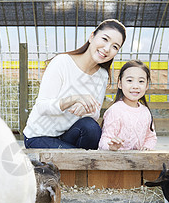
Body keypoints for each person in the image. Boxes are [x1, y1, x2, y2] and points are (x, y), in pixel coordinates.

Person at [23, 19, 127, 149]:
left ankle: (80, 162)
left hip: (69, 135)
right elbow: (42, 106)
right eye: (105, 39)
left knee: (91, 127)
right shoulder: (62, 62)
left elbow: (95, 114)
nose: (107, 49)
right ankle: (83, 163)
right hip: (40, 136)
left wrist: (85, 109)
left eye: (115, 46)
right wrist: (72, 100)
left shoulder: (102, 75)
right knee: (86, 159)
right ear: (92, 37)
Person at [98, 60, 157, 151]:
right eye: (129, 80)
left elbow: (150, 137)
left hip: (137, 161)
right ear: (120, 84)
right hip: (115, 160)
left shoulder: (145, 112)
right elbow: (104, 139)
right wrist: (111, 146)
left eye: (141, 81)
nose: (135, 86)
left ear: (147, 85)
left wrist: (147, 147)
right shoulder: (115, 110)